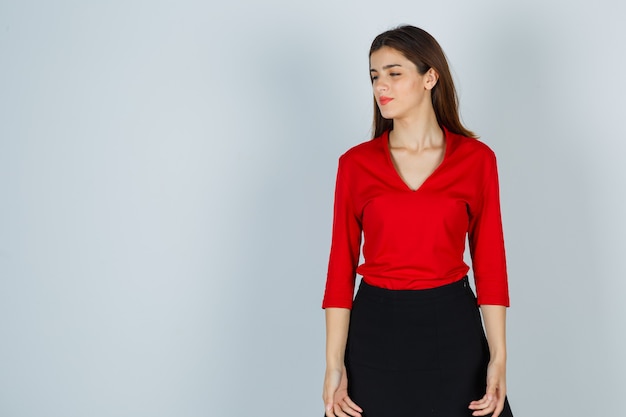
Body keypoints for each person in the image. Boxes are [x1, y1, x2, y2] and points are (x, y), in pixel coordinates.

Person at [321, 25, 514, 417]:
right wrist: (333, 364)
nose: (381, 87)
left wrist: (498, 357)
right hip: (375, 329)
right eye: (374, 76)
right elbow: (340, 267)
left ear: (430, 77)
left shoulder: (476, 160)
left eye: (394, 73)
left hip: (453, 328)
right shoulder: (355, 165)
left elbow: (490, 262)